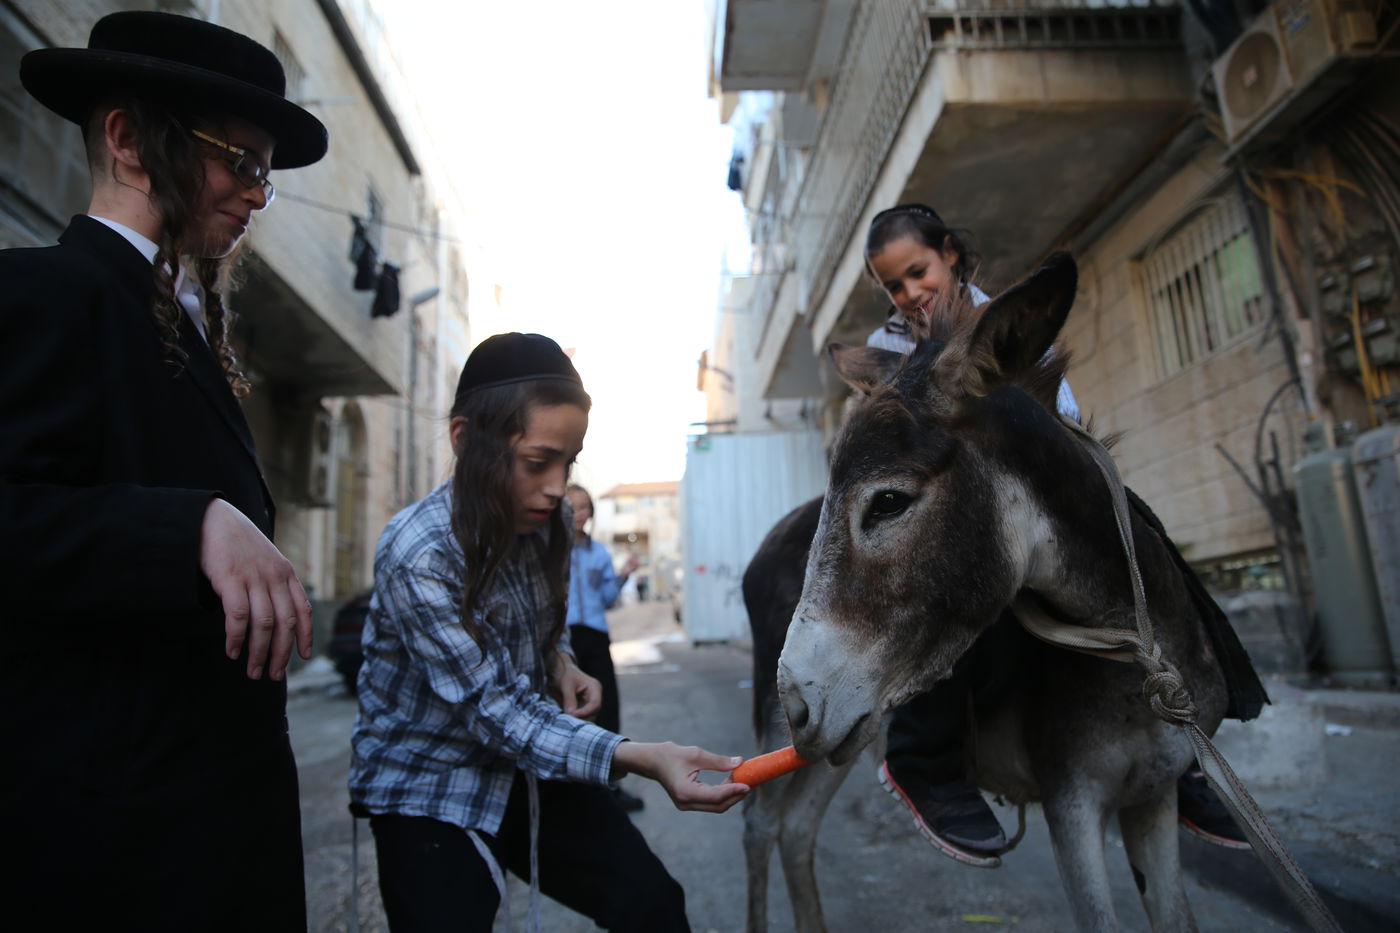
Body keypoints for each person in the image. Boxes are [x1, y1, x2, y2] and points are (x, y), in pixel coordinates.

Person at [0, 11, 328, 930]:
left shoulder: (178, 322)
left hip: (212, 832)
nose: (257, 194)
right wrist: (189, 525)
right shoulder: (41, 294)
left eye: (265, 173)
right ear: (130, 139)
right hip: (115, 852)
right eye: (241, 161)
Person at [861, 204, 1263, 865]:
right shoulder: (894, 352)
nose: (910, 293)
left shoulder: (1007, 321)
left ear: (950, 254)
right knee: (953, 588)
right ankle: (922, 759)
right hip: (967, 512)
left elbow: (1064, 413)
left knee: (1148, 552)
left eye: (918, 271)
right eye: (893, 285)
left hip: (1043, 493)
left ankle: (1183, 749)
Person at [349, 333, 748, 933]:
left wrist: (560, 660)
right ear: (465, 439)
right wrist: (638, 756)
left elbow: (547, 613)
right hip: (428, 783)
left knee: (652, 904)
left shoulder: (551, 517)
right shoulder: (418, 554)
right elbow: (496, 711)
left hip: (530, 761)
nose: (559, 487)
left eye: (569, 462)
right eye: (538, 463)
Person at [566, 483, 646, 811]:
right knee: (568, 711)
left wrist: (624, 575)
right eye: (571, 507)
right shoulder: (548, 550)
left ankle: (610, 786)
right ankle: (573, 792)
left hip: (595, 637)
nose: (578, 514)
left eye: (584, 507)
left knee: (607, 708)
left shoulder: (598, 552)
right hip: (563, 641)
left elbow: (607, 599)